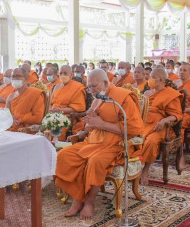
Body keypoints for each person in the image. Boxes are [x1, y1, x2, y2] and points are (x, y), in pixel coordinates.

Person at [55, 69, 144, 220]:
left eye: (94, 86)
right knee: (64, 155)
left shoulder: (122, 98)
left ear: (105, 83)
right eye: (89, 87)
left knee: (95, 161)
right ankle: (78, 198)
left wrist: (102, 124)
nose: (91, 90)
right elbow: (93, 122)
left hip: (116, 144)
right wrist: (89, 124)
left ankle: (90, 202)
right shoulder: (98, 97)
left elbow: (134, 129)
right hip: (93, 142)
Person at [140, 68, 183, 185]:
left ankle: (145, 170)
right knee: (133, 139)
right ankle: (134, 166)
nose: (149, 80)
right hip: (145, 124)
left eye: (152, 77)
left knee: (151, 142)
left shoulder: (171, 94)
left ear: (160, 79)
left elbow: (177, 115)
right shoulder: (150, 93)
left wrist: (164, 121)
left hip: (161, 127)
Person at [50, 65, 86, 140]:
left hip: (66, 116)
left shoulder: (77, 87)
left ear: (71, 74)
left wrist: (60, 110)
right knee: (42, 129)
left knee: (58, 129)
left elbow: (78, 108)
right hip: (52, 114)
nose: (63, 75)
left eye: (65, 73)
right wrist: (50, 112)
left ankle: (55, 146)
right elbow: (51, 103)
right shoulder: (56, 87)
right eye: (61, 73)